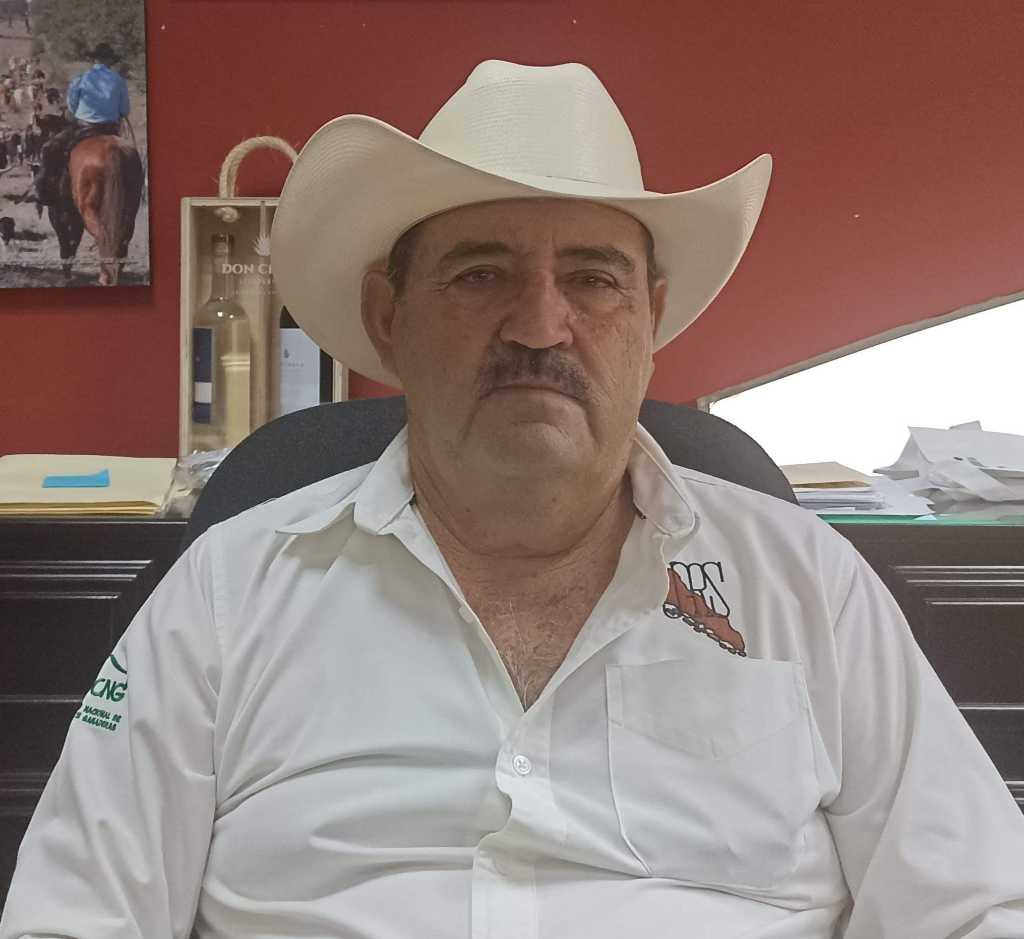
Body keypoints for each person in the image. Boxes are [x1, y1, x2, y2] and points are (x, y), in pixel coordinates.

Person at [2, 59, 1023, 939]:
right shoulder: (227, 597)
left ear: (649, 321)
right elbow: (73, 913)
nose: (540, 325)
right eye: (481, 275)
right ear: (389, 317)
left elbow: (978, 905)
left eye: (592, 278)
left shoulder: (808, 589)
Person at [33, 42, 129, 206]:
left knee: (49, 148)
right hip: (111, 129)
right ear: (110, 61)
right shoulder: (118, 80)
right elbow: (124, 110)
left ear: (94, 60)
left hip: (85, 128)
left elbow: (72, 108)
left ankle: (44, 192)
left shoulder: (82, 79)